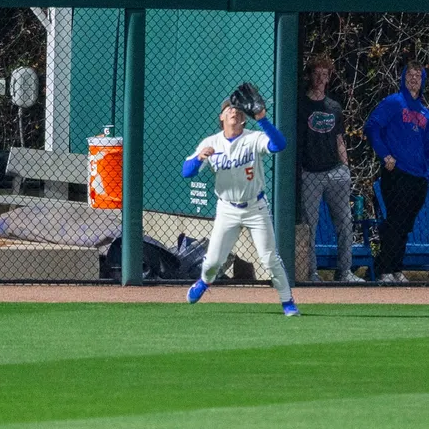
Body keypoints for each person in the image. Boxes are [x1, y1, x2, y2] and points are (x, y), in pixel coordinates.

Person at [182, 92, 300, 317]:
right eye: (229, 110)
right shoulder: (211, 143)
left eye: (237, 110)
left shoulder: (253, 138)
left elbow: (279, 145)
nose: (233, 112)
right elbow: (186, 172)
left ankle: (287, 302)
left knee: (269, 258)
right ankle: (204, 282)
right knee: (213, 262)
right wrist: (199, 159)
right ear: (221, 117)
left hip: (256, 208)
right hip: (227, 209)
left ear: (244, 118)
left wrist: (263, 118)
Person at [298, 57, 365, 283]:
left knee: (345, 221)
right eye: (317, 73)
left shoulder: (334, 107)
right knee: (311, 225)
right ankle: (313, 273)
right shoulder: (302, 105)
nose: (320, 78)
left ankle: (344, 271)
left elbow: (339, 139)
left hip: (336, 172)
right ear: (310, 75)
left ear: (329, 77)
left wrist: (346, 167)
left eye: (324, 74)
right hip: (311, 173)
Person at [364, 61, 429, 283]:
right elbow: (372, 126)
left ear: (423, 81)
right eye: (410, 75)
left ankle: (396, 268)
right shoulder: (393, 102)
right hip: (397, 172)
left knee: (406, 224)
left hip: (419, 177)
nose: (414, 79)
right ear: (403, 78)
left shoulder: (424, 112)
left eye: (418, 76)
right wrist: (385, 155)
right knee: (395, 221)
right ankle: (384, 270)